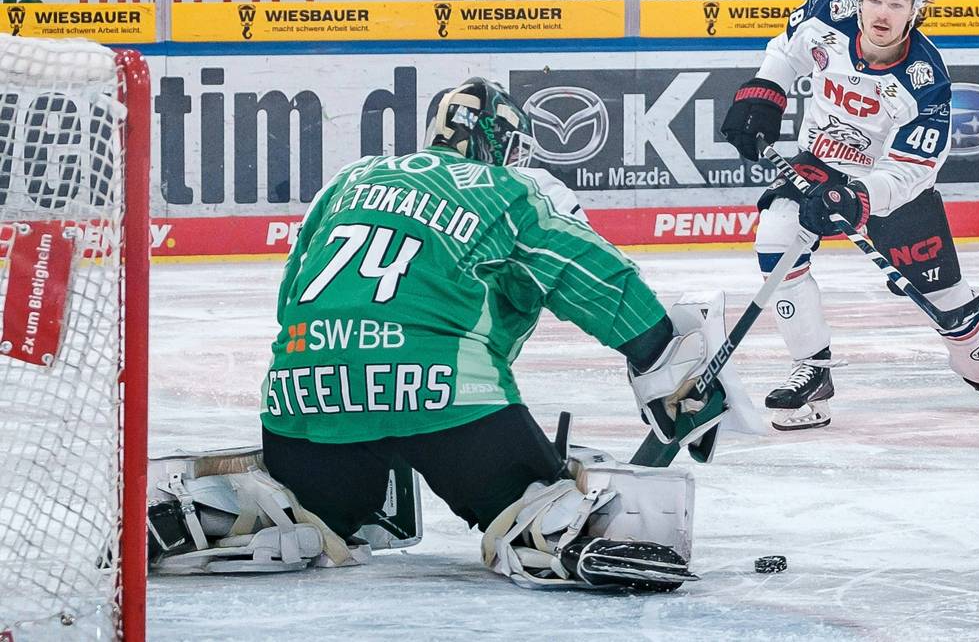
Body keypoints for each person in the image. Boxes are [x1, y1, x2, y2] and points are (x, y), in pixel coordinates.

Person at [147, 78, 733, 591]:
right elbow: (590, 275)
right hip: (447, 403)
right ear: (501, 144)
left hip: (306, 401)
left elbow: (292, 297)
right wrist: (660, 354)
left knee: (309, 514)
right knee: (531, 499)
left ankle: (228, 514)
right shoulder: (508, 191)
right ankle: (561, 533)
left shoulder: (346, 181)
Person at [720, 0, 979, 431]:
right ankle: (814, 370)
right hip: (818, 164)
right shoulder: (825, 16)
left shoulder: (926, 78)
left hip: (888, 185)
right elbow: (784, 52)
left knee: (948, 300)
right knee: (775, 238)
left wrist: (860, 198)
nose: (883, 12)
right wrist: (765, 93)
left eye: (898, 3)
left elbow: (915, 167)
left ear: (917, 9)